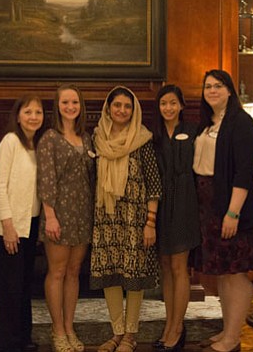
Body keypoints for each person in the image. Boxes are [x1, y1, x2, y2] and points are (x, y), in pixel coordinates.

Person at [193, 69, 253, 352]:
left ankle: (234, 337)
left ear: (230, 90)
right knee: (223, 271)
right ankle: (226, 330)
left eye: (218, 86)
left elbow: (244, 172)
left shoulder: (241, 123)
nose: (212, 91)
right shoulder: (206, 123)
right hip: (208, 206)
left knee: (237, 272)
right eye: (207, 86)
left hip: (233, 207)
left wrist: (232, 213)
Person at [91, 86, 161, 352]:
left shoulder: (142, 140)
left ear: (134, 111)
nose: (121, 110)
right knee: (109, 275)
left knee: (133, 276)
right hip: (105, 218)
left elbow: (154, 184)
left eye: (127, 106)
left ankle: (131, 335)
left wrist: (150, 223)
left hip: (135, 220)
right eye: (117, 105)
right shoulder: (97, 139)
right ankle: (116, 333)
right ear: (108, 107)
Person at [37, 85, 95, 352]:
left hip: (83, 214)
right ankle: (57, 329)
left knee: (74, 272)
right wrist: (50, 216)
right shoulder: (49, 138)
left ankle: (70, 327)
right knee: (58, 272)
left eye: (75, 102)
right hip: (58, 214)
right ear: (57, 106)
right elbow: (46, 179)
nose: (70, 107)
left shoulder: (87, 138)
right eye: (65, 102)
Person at [0, 94, 45, 352]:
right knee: (8, 292)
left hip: (29, 225)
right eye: (28, 112)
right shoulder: (10, 141)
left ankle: (23, 338)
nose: (33, 117)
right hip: (7, 228)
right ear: (18, 115)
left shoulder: (36, 145)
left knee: (23, 288)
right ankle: (6, 345)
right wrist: (8, 227)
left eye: (38, 112)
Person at [152, 84, 201, 352]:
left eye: (172, 103)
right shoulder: (154, 137)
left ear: (181, 105)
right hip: (160, 203)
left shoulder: (193, 132)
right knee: (166, 267)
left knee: (180, 267)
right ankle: (169, 324)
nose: (168, 108)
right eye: (163, 104)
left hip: (184, 202)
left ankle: (178, 327)